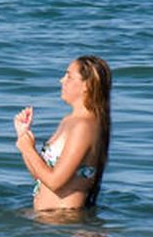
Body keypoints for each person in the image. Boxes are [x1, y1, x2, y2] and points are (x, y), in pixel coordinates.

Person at [14, 55, 112, 211]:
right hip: (51, 222)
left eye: (69, 76)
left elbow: (55, 182)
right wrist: (23, 136)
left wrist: (28, 149)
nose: (62, 80)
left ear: (86, 85)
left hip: (66, 224)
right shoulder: (69, 120)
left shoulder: (84, 126)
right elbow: (41, 177)